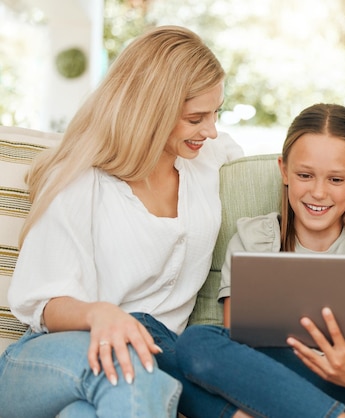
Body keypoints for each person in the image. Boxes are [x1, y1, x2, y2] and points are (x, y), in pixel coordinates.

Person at [0, 26, 245, 418]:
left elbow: (285, 164)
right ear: (152, 110)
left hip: (147, 362)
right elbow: (42, 303)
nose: (211, 130)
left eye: (216, 113)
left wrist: (337, 154)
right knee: (131, 366)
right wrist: (100, 313)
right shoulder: (81, 180)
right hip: (47, 359)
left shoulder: (206, 158)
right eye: (196, 117)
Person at [175, 103, 345, 418]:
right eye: (305, 175)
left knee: (193, 348)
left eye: (336, 179)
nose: (318, 192)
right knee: (183, 339)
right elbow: (239, 349)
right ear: (284, 171)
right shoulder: (252, 238)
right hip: (268, 385)